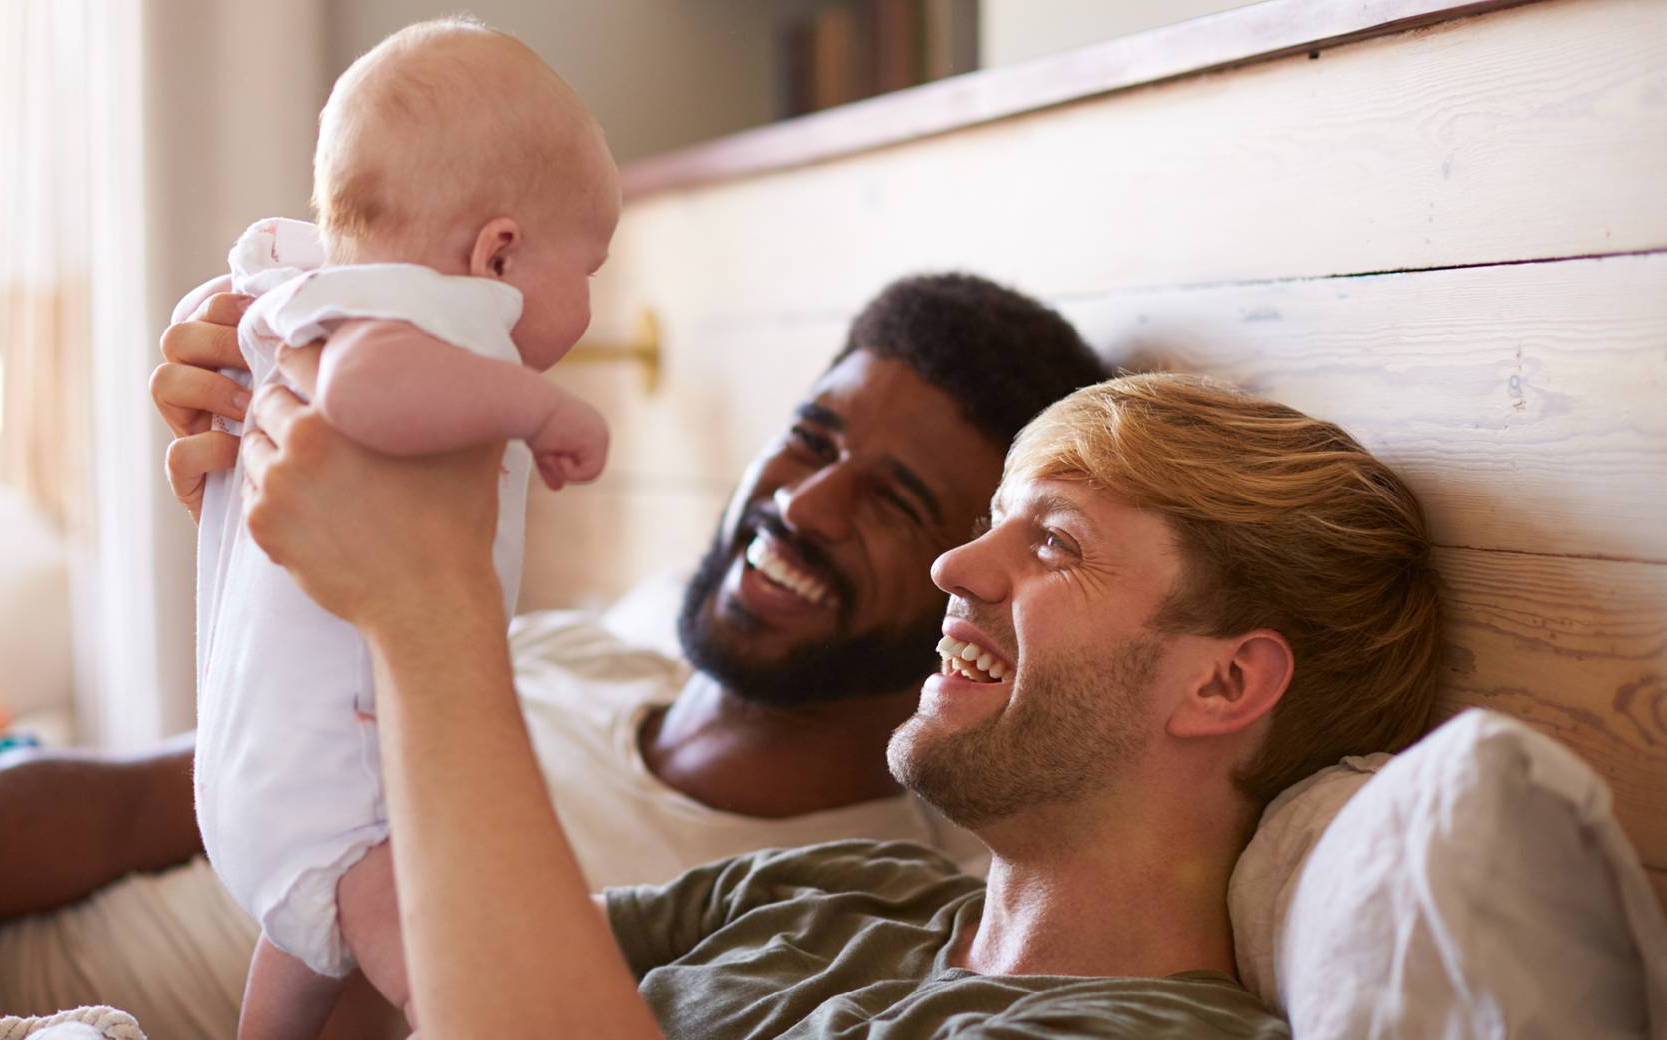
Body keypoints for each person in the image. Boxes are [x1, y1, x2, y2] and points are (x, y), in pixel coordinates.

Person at [0, 268, 1109, 1037]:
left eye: (896, 500)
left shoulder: (825, 902)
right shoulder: (582, 655)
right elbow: (145, 799)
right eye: (811, 436)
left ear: (965, 587)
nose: (806, 501)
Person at [231, 365, 1442, 1036]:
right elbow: (404, 966)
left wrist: (433, 618)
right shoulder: (841, 888)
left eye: (1055, 544)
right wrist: (295, 425)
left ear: (1223, 679)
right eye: (986, 527)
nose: (954, 572)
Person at [189, 20, 618, 1038]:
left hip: (285, 786)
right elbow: (373, 387)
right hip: (337, 790)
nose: (592, 308)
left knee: (303, 961)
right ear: (498, 253)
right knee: (450, 979)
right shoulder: (431, 316)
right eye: (589, 269)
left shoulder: (317, 291)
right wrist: (541, 409)